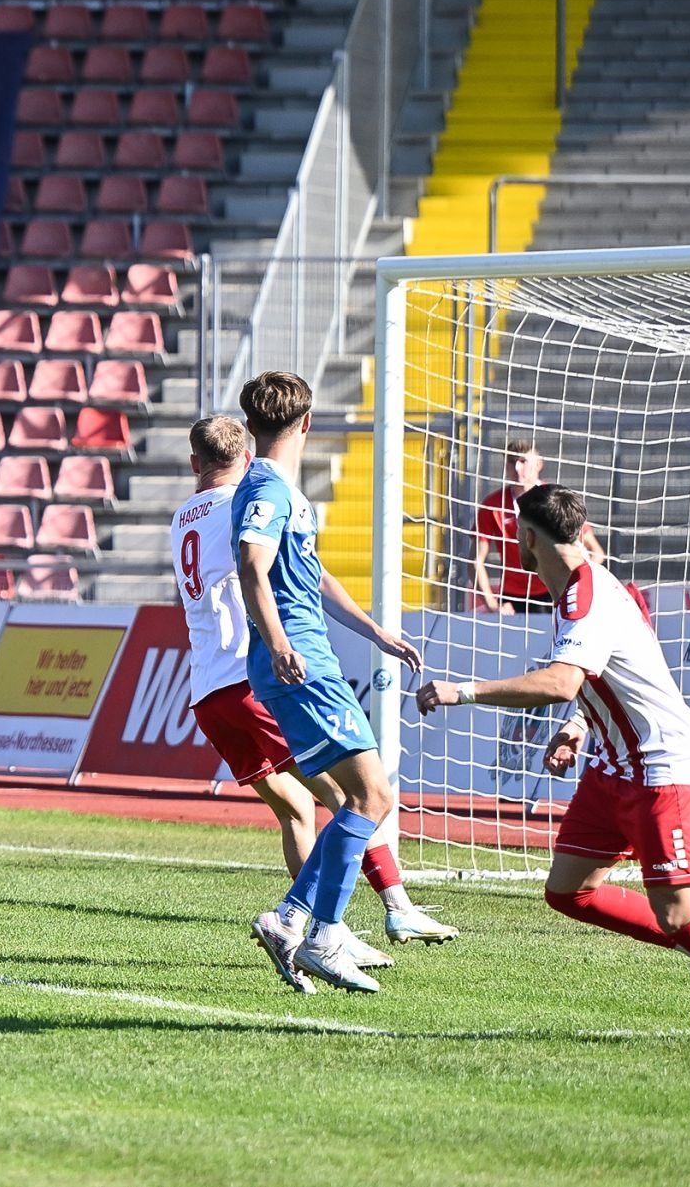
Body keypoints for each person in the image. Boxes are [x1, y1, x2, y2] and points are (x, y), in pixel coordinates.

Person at [417, 484, 690, 1049]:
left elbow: (562, 681)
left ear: (526, 539)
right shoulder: (579, 589)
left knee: (680, 916)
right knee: (569, 892)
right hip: (614, 766)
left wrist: (462, 691)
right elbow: (614, 677)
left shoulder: (588, 598)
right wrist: (579, 726)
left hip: (661, 766)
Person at [172, 417, 456, 969]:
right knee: (354, 796)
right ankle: (369, 914)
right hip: (255, 680)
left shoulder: (184, 515)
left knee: (300, 810)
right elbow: (292, 572)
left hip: (208, 691)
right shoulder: (250, 499)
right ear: (247, 457)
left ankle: (326, 927)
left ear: (194, 465)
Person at [232, 373, 423, 994]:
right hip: (299, 663)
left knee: (357, 800)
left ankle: (292, 920)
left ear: (251, 425)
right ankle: (322, 935)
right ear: (307, 424)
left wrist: (376, 632)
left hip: (301, 659)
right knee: (372, 797)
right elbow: (251, 566)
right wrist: (280, 643)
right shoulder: (266, 488)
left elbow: (311, 576)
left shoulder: (283, 491)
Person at [472, 438, 605, 614]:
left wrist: (572, 586)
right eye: (511, 462)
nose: (517, 468)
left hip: (553, 592)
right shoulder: (493, 505)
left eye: (523, 461)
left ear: (539, 464)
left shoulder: (555, 499)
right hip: (512, 598)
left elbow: (596, 552)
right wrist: (493, 605)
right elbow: (475, 560)